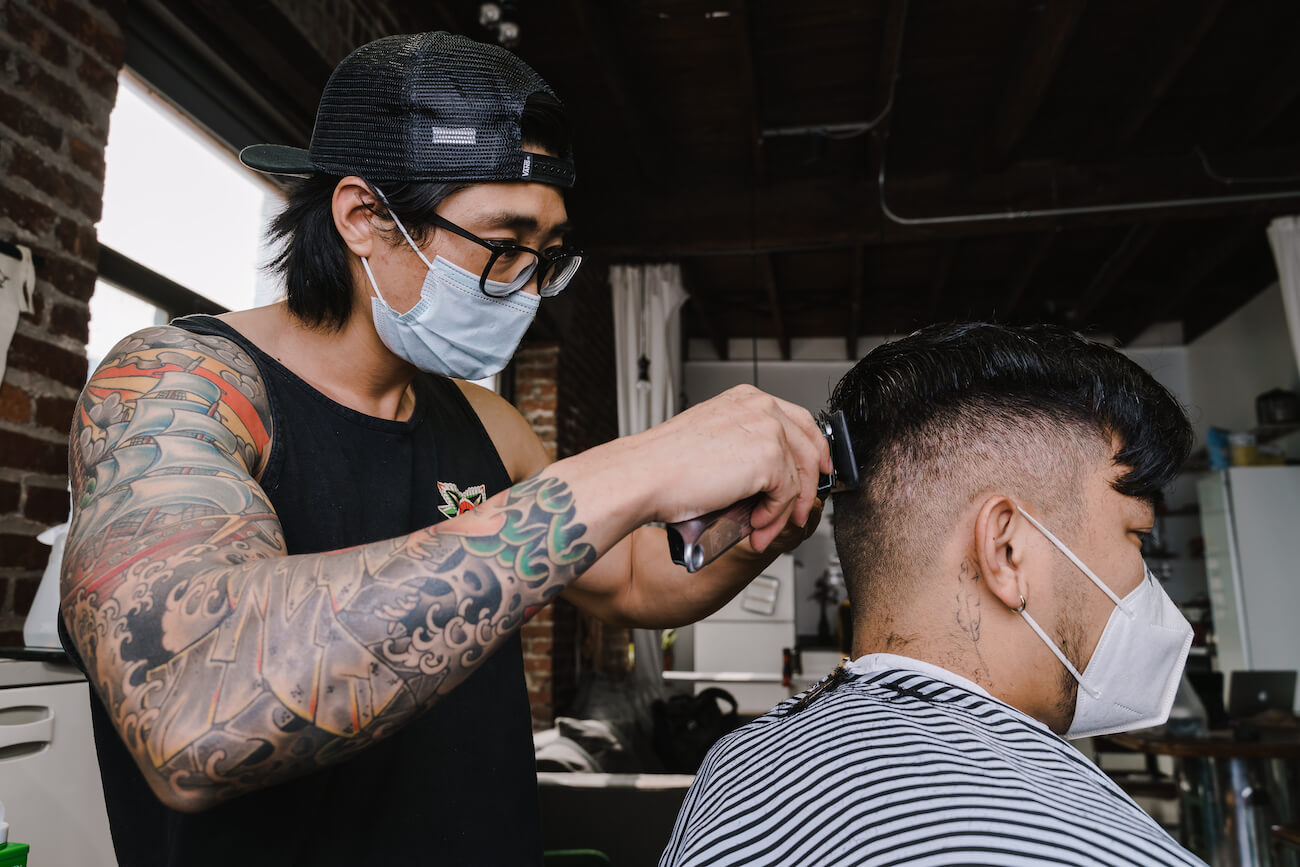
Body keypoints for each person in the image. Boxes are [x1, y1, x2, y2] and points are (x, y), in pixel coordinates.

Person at [59, 32, 830, 867]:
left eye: (549, 254)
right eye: (503, 246)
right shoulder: (179, 384)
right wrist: (639, 465)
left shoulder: (485, 422)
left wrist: (770, 518)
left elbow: (639, 577)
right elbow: (190, 704)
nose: (528, 288)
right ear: (363, 217)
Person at [661, 322, 1208, 867]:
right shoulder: (1077, 849)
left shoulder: (734, 766)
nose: (1144, 581)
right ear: (1007, 551)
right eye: (1137, 535)